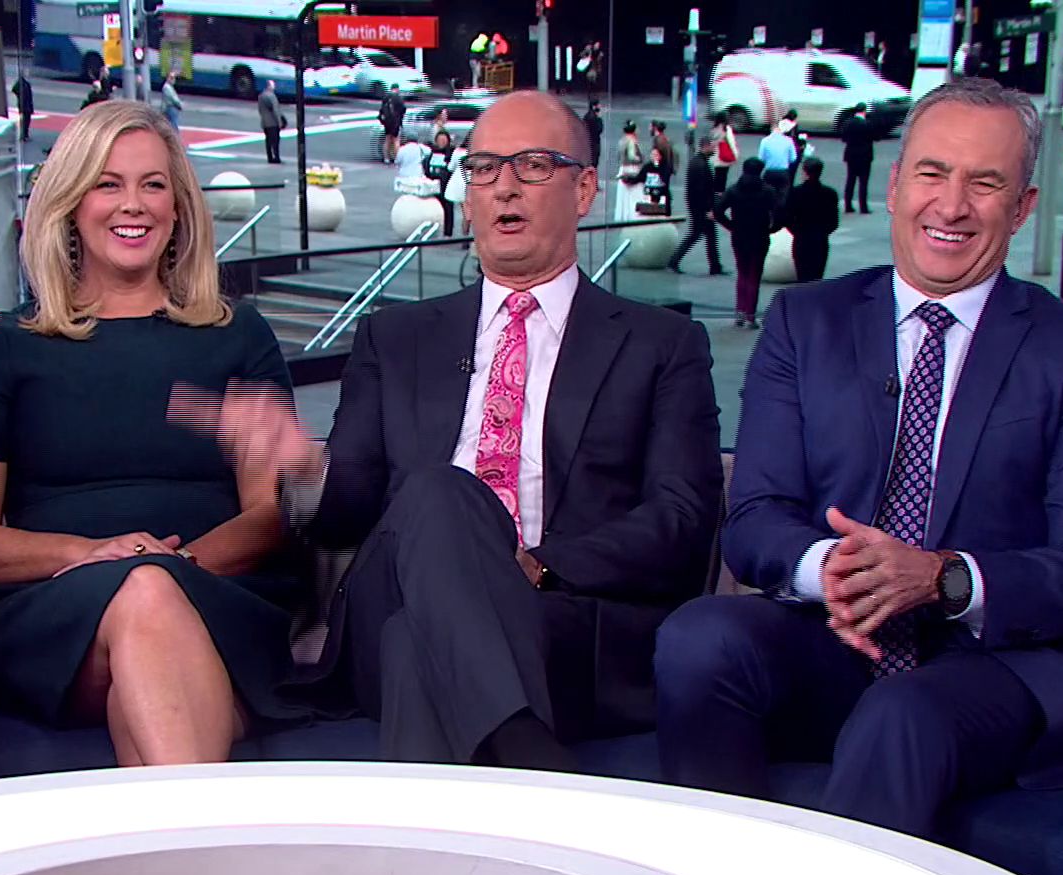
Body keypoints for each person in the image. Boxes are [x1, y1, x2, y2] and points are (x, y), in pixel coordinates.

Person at [652, 79, 1063, 837]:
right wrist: (837, 570)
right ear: (894, 187)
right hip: (840, 638)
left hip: (1003, 663)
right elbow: (755, 519)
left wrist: (941, 578)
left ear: (1021, 207)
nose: (950, 206)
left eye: (984, 184)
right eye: (932, 173)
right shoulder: (804, 324)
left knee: (902, 712)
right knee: (700, 638)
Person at [180, 91, 722, 769]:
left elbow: (682, 519)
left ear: (584, 189)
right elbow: (348, 513)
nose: (503, 188)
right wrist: (305, 470)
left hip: (561, 619)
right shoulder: (396, 337)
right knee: (439, 492)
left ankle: (512, 760)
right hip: (393, 592)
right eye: (484, 168)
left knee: (417, 647)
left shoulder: (661, 345)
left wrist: (539, 565)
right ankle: (534, 763)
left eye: (532, 165)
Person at [0, 101, 300, 767]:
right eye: (108, 184)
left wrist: (174, 567)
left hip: (218, 592)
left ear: (178, 207)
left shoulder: (239, 334)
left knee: (150, 609)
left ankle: (183, 827)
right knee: (145, 596)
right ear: (71, 204)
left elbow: (269, 515)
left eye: (152, 184)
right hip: (56, 608)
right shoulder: (0, 348)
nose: (133, 205)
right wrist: (96, 555)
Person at [715, 157, 779, 328]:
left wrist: (730, 226)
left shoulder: (734, 190)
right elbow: (779, 213)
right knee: (754, 275)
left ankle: (740, 311)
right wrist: (772, 228)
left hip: (739, 234)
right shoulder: (768, 191)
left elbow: (718, 210)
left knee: (742, 272)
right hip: (760, 234)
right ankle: (751, 314)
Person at [667, 137, 724, 276]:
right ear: (706, 146)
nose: (714, 149)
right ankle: (674, 260)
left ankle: (715, 266)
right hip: (701, 208)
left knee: (710, 236)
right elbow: (701, 190)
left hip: (698, 206)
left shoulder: (698, 162)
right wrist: (708, 209)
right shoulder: (701, 165)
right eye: (713, 147)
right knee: (696, 235)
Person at [782, 157, 840, 283]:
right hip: (820, 240)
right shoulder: (829, 193)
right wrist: (823, 232)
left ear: (805, 172)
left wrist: (797, 231)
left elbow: (787, 218)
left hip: (801, 239)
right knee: (817, 276)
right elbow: (834, 221)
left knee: (802, 275)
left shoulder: (796, 192)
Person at [423, 129, 462, 235]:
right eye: (440, 140)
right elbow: (426, 164)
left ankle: (448, 231)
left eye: (444, 140)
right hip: (434, 183)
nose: (442, 143)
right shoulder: (432, 152)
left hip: (447, 184)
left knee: (448, 209)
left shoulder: (452, 153)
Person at [840, 103, 875, 213]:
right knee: (863, 182)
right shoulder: (867, 124)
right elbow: (874, 136)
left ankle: (848, 205)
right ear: (864, 111)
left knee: (850, 180)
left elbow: (843, 138)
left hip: (851, 155)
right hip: (865, 155)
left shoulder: (848, 123)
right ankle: (863, 207)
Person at [612, 121, 645, 220]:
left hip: (623, 168)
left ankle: (623, 215)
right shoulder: (631, 141)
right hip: (632, 168)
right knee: (635, 194)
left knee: (624, 195)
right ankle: (633, 215)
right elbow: (632, 156)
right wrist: (640, 159)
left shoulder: (622, 140)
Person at [758, 120, 798, 199]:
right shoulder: (788, 140)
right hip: (783, 172)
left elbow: (761, 159)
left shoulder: (765, 141)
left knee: (768, 196)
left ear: (771, 129)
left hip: (769, 172)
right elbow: (793, 158)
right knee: (782, 196)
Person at [648, 119, 676, 207]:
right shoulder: (665, 139)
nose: (649, 129)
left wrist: (654, 168)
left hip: (661, 169)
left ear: (655, 128)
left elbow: (657, 156)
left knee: (659, 191)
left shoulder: (658, 140)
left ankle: (661, 208)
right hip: (666, 169)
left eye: (650, 127)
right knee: (665, 190)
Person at [711, 111, 740, 193]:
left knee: (717, 176)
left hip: (716, 157)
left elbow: (712, 142)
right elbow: (732, 143)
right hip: (724, 157)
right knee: (723, 177)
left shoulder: (714, 129)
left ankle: (716, 193)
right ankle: (720, 193)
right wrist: (735, 155)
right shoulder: (727, 129)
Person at [378, 86, 406, 164]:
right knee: (396, 140)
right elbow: (403, 109)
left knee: (387, 140)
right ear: (397, 89)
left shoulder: (386, 97)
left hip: (387, 122)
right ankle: (397, 158)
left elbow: (381, 110)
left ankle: (386, 158)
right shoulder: (399, 98)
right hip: (396, 121)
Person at [258, 81, 285, 164]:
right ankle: (276, 157)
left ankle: (270, 157)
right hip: (273, 122)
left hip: (265, 122)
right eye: (273, 85)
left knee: (268, 141)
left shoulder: (261, 96)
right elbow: (275, 110)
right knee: (275, 141)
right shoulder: (271, 96)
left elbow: (260, 110)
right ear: (270, 86)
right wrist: (279, 122)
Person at [583, 99, 604, 167]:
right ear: (594, 106)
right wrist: (599, 119)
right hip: (594, 143)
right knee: (593, 163)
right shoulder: (594, 118)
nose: (600, 106)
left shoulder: (586, 116)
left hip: (587, 143)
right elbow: (599, 130)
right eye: (598, 105)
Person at [14, 73, 35, 143]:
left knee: (26, 121)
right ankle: (24, 135)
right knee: (25, 121)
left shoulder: (25, 84)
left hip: (26, 105)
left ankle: (25, 135)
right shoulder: (23, 84)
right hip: (25, 106)